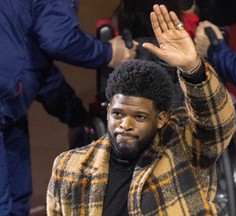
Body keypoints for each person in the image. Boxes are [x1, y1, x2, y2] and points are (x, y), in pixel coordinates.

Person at [46, 4, 236, 215]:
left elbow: (218, 125)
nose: (125, 125)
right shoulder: (68, 168)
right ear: (109, 110)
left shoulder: (184, 153)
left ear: (161, 118)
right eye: (118, 114)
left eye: (139, 116)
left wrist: (193, 68)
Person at [0, 0, 137, 214]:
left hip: (9, 109)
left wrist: (76, 117)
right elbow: (58, 39)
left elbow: (39, 71)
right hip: (5, 100)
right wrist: (108, 53)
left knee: (17, 197)